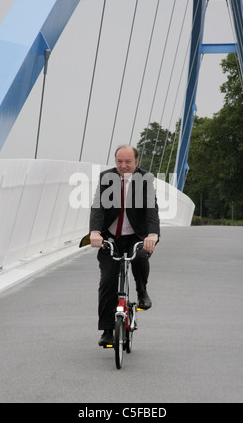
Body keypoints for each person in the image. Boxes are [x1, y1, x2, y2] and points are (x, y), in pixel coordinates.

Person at [89, 145, 160, 347]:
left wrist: (152, 235)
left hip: (135, 235)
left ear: (137, 162)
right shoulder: (106, 178)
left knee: (139, 257)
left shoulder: (145, 179)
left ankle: (141, 290)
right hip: (110, 236)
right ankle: (107, 331)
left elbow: (150, 208)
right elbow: (98, 207)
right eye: (119, 161)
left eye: (128, 162)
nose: (123, 166)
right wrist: (95, 232)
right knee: (108, 279)